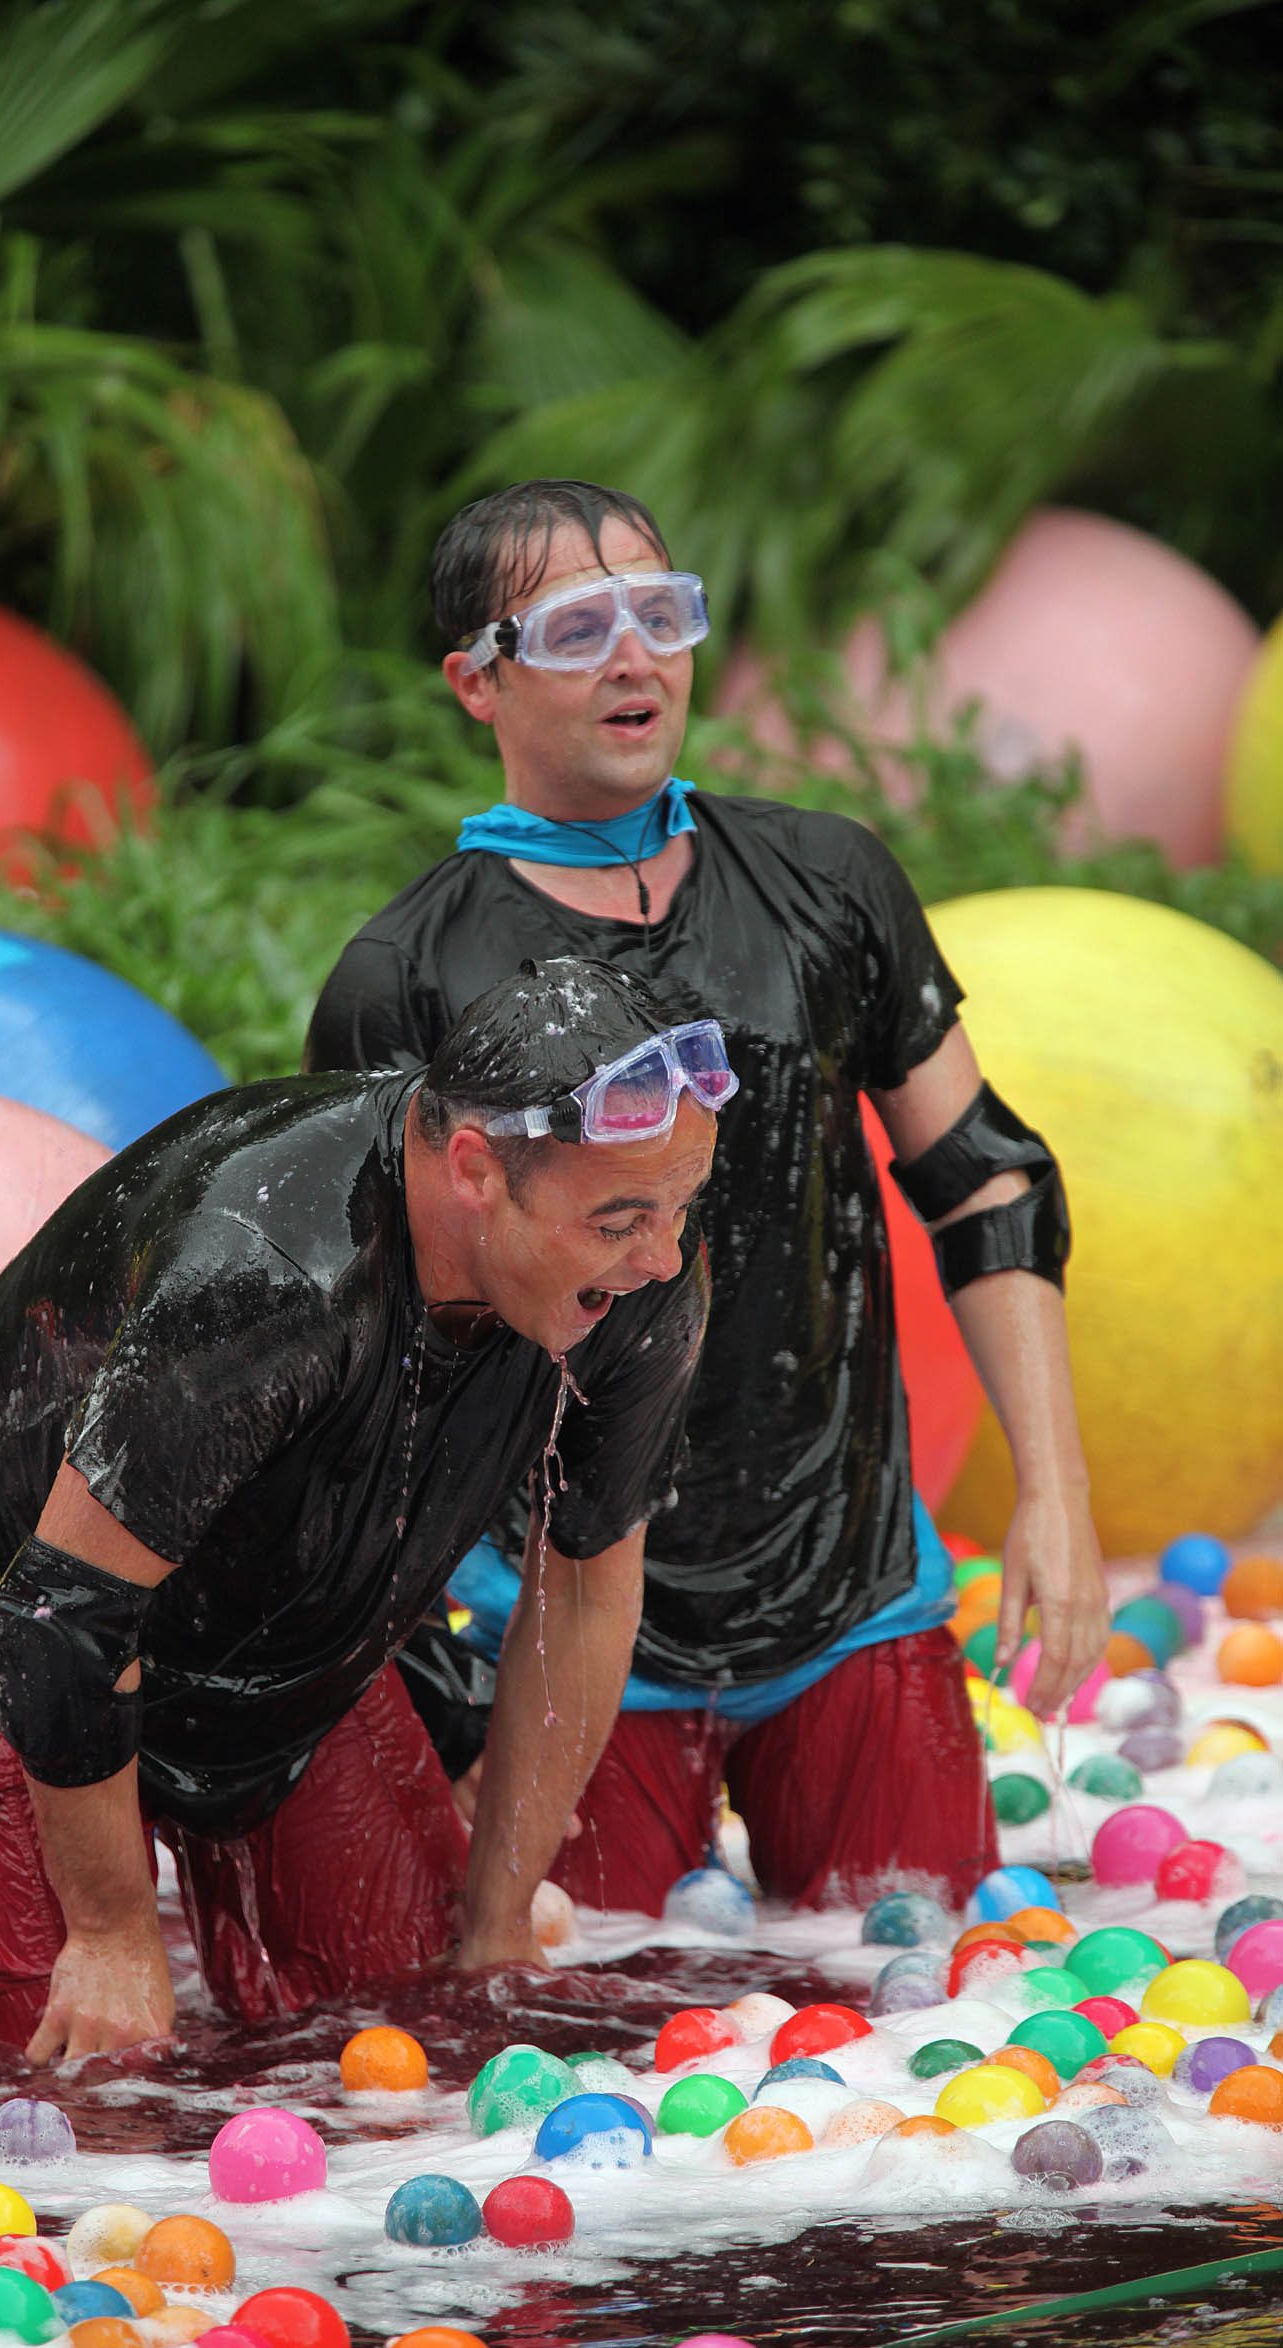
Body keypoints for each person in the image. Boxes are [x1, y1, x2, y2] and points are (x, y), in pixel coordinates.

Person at [307, 477, 1108, 1916]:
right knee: (557, 2046)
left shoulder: (825, 882)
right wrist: (433, 1689)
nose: (633, 658)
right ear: (474, 682)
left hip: (850, 1581)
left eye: (657, 614)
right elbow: (370, 1375)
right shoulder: (407, 977)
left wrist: (1054, 1495)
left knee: (927, 2008)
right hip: (548, 1609)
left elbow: (983, 1179)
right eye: (573, 628)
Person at [0, 956, 724, 2060]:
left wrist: (497, 1919)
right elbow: (58, 1619)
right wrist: (118, 1934)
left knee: (410, 2030)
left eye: (681, 1205)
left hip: (276, 1600)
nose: (661, 1257)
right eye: (619, 1221)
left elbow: (590, 1579)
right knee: (89, 2086)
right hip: (10, 1578)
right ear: (472, 1167)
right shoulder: (267, 1274)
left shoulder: (644, 1275)